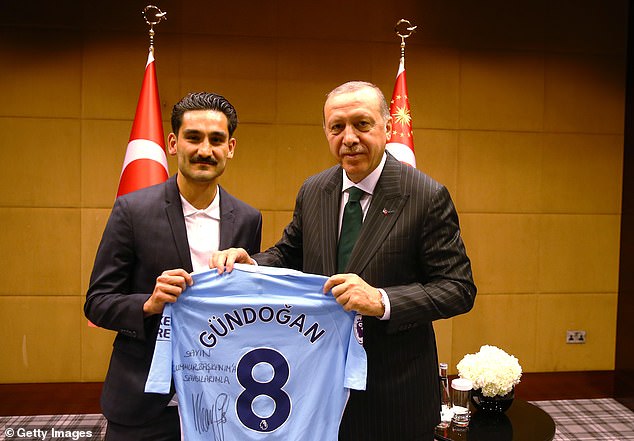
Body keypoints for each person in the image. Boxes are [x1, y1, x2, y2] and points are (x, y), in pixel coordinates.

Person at [211, 81, 476, 441]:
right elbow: (290, 251)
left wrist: (382, 301)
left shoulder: (425, 196)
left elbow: (458, 288)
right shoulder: (315, 190)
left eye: (362, 124)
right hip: (316, 384)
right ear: (326, 132)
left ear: (385, 126)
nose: (348, 137)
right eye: (337, 127)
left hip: (394, 391)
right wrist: (251, 263)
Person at [84, 92, 262, 441]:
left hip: (221, 400)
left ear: (231, 147)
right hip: (144, 402)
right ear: (172, 143)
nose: (205, 150)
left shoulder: (247, 219)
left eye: (216, 140)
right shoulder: (131, 211)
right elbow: (97, 301)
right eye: (193, 137)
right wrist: (147, 304)